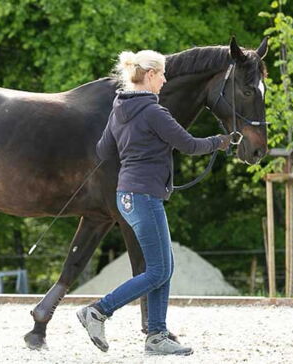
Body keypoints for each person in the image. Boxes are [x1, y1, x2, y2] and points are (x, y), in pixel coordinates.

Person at [76, 50, 231, 356]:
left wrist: (137, 149)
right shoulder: (154, 112)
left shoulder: (119, 108)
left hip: (128, 195)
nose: (164, 79)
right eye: (161, 74)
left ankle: (157, 335)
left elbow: (103, 150)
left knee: (164, 266)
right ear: (148, 76)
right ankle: (97, 312)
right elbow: (188, 145)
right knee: (158, 270)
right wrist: (220, 141)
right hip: (144, 196)